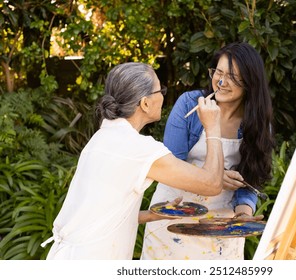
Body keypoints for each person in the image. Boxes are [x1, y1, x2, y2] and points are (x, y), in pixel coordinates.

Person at [41, 62, 224, 260]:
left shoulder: (103, 138)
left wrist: (153, 215)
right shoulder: (138, 149)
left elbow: (98, 213)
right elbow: (212, 184)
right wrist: (212, 127)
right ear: (145, 103)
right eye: (160, 90)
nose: (163, 95)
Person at [141, 42, 275, 260]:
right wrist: (214, 178)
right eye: (218, 72)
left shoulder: (258, 124)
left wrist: (243, 215)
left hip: (220, 223)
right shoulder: (189, 105)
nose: (221, 82)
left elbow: (250, 178)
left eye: (232, 77)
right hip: (174, 210)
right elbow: (170, 167)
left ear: (250, 82)